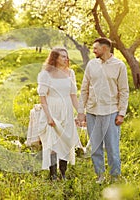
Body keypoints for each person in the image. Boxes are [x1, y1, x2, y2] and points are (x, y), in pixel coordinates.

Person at [77, 37, 129, 184]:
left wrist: (121, 113)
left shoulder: (119, 66)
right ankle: (100, 176)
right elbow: (84, 89)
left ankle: (115, 176)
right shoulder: (91, 64)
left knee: (112, 147)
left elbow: (124, 91)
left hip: (111, 112)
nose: (93, 51)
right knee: (95, 147)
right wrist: (81, 112)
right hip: (92, 112)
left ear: (105, 48)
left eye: (96, 48)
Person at [37, 47, 82, 180]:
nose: (66, 59)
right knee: (53, 142)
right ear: (55, 58)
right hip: (52, 109)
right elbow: (42, 97)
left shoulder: (70, 73)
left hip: (67, 110)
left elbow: (73, 95)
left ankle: (63, 173)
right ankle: (53, 174)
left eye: (66, 56)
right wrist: (48, 116)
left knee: (66, 141)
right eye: (62, 56)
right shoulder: (46, 74)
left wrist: (80, 113)